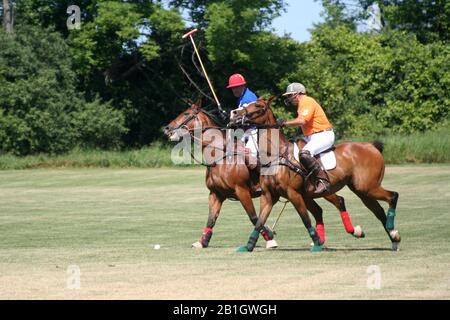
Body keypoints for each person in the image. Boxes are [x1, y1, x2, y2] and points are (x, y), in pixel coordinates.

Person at [279, 83, 334, 195]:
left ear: (297, 94)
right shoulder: (301, 104)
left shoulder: (307, 101)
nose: (289, 98)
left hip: (323, 135)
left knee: (305, 153)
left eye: (290, 95)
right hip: (312, 136)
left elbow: (302, 121)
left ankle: (323, 181)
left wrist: (285, 123)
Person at [227, 73, 261, 193]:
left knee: (251, 159)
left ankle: (259, 181)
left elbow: (244, 115)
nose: (234, 90)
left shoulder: (249, 98)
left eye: (237, 87)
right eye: (232, 88)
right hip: (244, 131)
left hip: (253, 130)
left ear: (243, 85)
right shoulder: (241, 98)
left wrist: (232, 116)